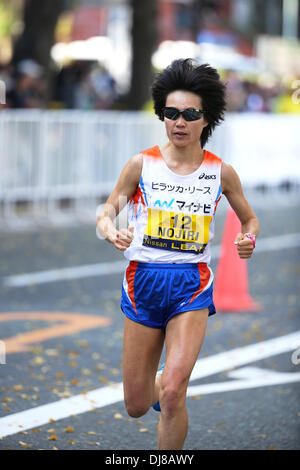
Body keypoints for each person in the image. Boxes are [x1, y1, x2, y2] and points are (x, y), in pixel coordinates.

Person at [96, 58, 259, 450]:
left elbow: (250, 220)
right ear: (162, 115)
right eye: (171, 113)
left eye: (189, 114)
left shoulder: (221, 172)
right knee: (137, 404)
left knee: (172, 393)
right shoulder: (142, 164)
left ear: (208, 119)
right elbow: (107, 209)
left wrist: (248, 240)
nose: (179, 122)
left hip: (191, 285)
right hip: (142, 283)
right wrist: (108, 230)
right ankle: (155, 386)